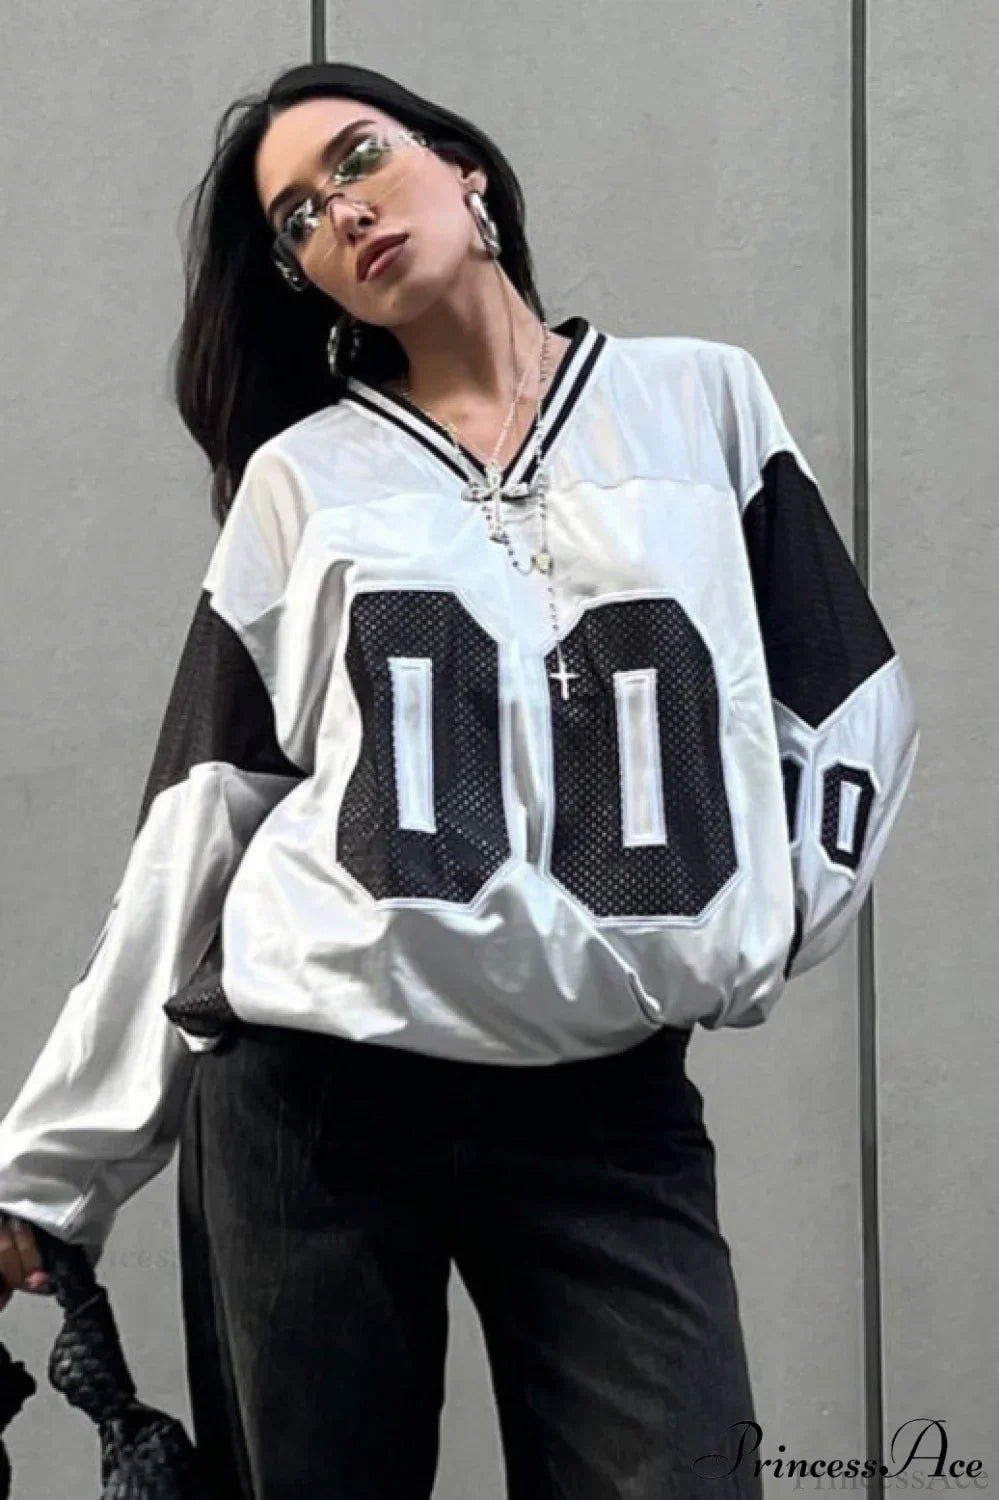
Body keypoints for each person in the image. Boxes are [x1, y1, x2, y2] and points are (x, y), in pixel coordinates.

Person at [0, 59, 919, 1500]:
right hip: (317, 1099)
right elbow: (195, 833)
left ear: (462, 167)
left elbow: (854, 700)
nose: (340, 212)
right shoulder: (299, 484)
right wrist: (50, 1176)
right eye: (298, 219)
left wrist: (770, 917)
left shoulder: (702, 403)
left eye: (358, 159)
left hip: (607, 1107)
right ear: (309, 281)